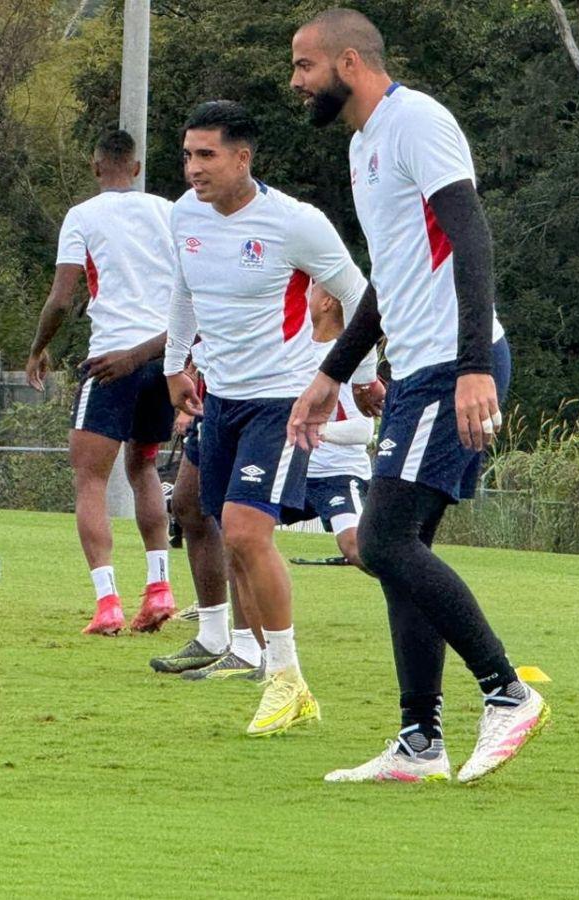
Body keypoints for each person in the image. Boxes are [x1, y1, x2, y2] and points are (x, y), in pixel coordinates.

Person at [288, 8, 549, 783]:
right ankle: (419, 742)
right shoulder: (365, 146)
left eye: (304, 66)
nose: (296, 83)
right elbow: (388, 282)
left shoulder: (417, 122)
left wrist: (472, 365)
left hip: (450, 367)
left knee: (385, 542)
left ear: (349, 62)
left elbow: (472, 240)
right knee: (397, 550)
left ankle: (507, 693)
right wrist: (333, 371)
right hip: (417, 371)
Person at [163, 100, 376, 737]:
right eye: (187, 155)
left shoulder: (294, 224)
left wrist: (358, 379)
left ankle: (288, 682)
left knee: (248, 533)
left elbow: (360, 294)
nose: (194, 168)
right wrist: (177, 365)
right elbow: (183, 291)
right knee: (209, 518)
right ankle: (248, 652)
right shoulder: (183, 216)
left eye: (207, 155)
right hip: (220, 399)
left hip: (282, 403)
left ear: (242, 157)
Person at [25, 130, 178, 635]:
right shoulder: (168, 211)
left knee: (90, 480)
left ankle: (108, 602)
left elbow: (62, 300)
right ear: (136, 169)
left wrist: (38, 348)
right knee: (145, 467)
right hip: (162, 355)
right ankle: (160, 589)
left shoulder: (83, 216)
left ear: (95, 169)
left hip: (111, 359)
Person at [149, 343, 265, 681]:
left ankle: (249, 648)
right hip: (214, 392)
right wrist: (182, 370)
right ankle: (213, 637)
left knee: (239, 519)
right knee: (187, 502)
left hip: (254, 391)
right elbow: (189, 313)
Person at [289, 283, 374, 568]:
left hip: (337, 475)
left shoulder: (347, 357)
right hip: (293, 472)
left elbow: (366, 430)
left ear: (327, 303)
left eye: (310, 291)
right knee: (238, 524)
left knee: (356, 548)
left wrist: (319, 431)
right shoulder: (293, 348)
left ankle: (420, 601)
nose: (304, 296)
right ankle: (216, 606)